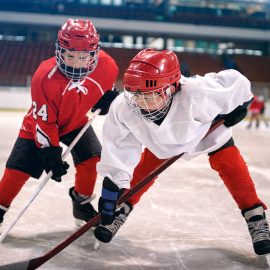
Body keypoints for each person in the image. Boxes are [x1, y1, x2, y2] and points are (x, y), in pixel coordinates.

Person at [93, 48, 270, 256]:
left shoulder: (198, 92)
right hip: (163, 143)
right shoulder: (124, 107)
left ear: (171, 88)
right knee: (144, 171)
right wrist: (112, 190)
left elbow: (237, 82)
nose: (141, 103)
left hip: (204, 132)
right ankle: (122, 209)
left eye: (149, 96)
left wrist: (242, 104)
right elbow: (120, 148)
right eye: (136, 94)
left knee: (231, 165)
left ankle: (255, 216)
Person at [0, 19, 119, 233]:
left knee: (92, 158)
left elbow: (104, 89)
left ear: (94, 53)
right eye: (70, 55)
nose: (76, 63)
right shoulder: (44, 77)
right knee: (18, 170)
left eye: (83, 57)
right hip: (40, 126)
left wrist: (106, 99)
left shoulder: (108, 66)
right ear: (59, 50)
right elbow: (44, 121)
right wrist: (50, 151)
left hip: (75, 122)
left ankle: (80, 204)